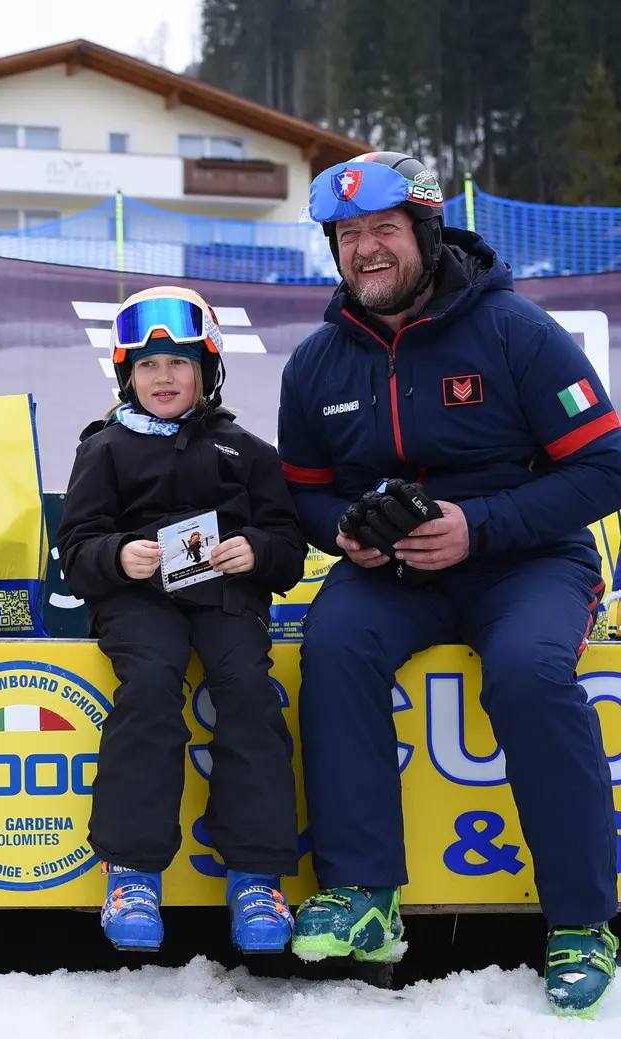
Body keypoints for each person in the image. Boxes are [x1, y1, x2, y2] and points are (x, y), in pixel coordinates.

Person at [279, 151, 621, 1018]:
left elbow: (605, 468)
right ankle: (363, 898)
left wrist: (479, 524)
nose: (365, 252)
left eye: (382, 231)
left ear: (425, 234)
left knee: (528, 671)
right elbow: (304, 497)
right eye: (347, 236)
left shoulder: (515, 330)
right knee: (333, 641)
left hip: (527, 562)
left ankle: (583, 921)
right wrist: (347, 538)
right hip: (393, 575)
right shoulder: (315, 362)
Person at [56, 286, 305, 954]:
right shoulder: (103, 449)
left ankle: (257, 878)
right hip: (138, 602)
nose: (162, 377)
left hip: (226, 599)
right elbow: (75, 554)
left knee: (248, 693)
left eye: (178, 362)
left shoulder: (244, 449)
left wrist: (256, 551)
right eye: (145, 365)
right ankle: (131, 872)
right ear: (125, 376)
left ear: (208, 369)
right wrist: (117, 555)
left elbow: (286, 545)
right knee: (149, 688)